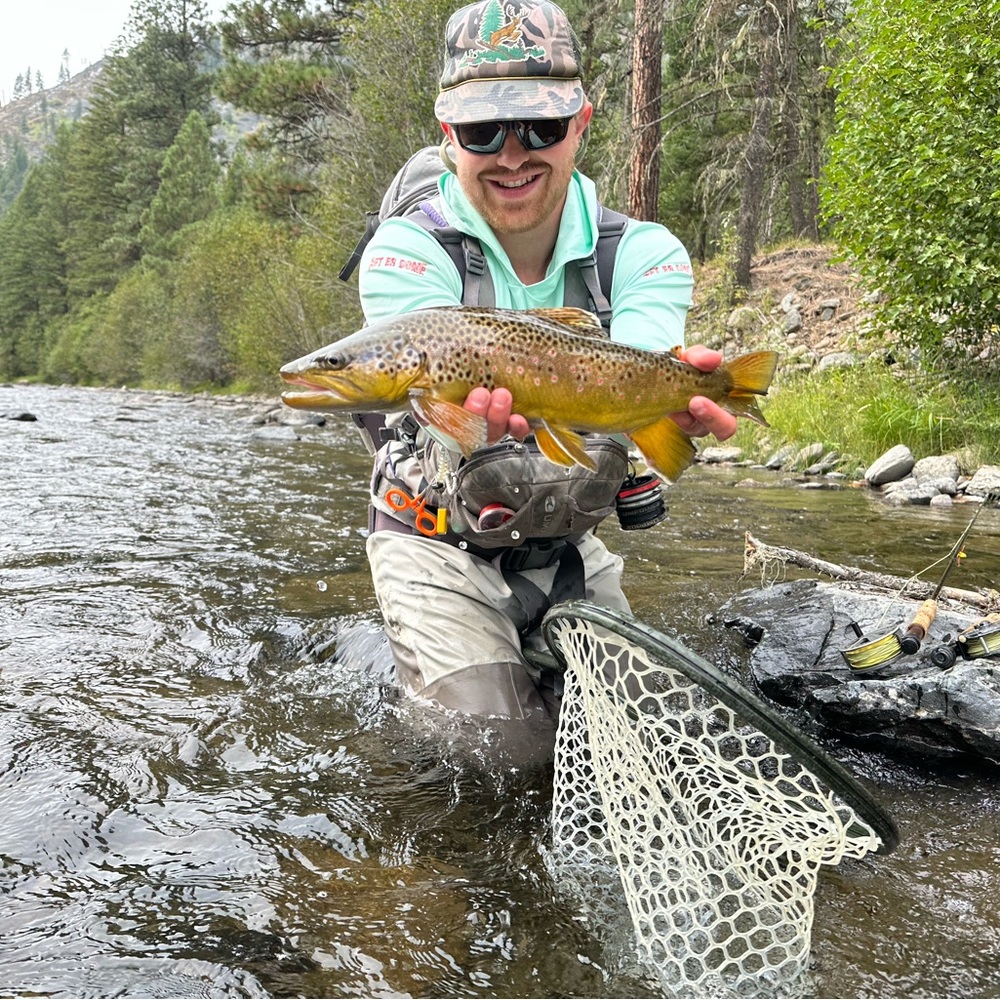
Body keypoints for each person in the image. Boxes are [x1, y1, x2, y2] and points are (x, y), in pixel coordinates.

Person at [356, 0, 737, 722]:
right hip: (434, 542)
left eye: (542, 127)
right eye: (482, 130)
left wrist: (681, 393)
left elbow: (644, 370)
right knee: (494, 750)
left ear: (582, 126)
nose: (512, 152)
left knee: (646, 731)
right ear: (448, 135)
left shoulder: (644, 254)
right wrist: (472, 426)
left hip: (567, 545)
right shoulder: (405, 252)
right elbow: (422, 401)